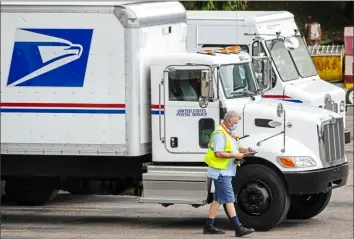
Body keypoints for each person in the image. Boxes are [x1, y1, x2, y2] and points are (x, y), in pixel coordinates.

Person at [202, 110, 255, 237]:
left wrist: (246, 150)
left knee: (218, 199)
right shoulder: (219, 134)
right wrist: (235, 155)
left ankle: (209, 226)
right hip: (221, 172)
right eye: (234, 123)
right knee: (229, 198)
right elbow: (218, 153)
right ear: (227, 121)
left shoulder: (228, 133)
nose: (235, 125)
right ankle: (238, 228)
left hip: (225, 170)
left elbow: (235, 148)